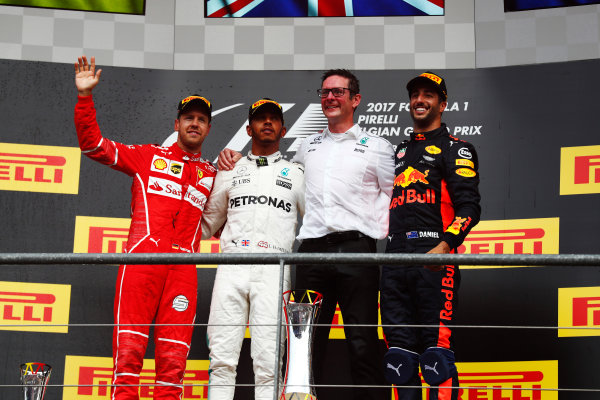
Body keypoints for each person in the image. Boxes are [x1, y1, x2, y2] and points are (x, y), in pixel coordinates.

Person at [218, 69, 395, 400]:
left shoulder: (377, 147)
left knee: (362, 341)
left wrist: (374, 232)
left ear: (355, 100)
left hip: (358, 252)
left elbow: (393, 198)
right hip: (311, 254)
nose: (329, 97)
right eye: (325, 92)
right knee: (305, 347)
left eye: (338, 92)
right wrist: (232, 160)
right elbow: (271, 177)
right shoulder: (305, 148)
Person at [74, 56, 217, 400]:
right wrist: (84, 98)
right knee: (128, 357)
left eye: (201, 120)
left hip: (183, 272)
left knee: (173, 364)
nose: (194, 124)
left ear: (208, 128)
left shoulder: (213, 174)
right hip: (141, 264)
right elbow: (94, 145)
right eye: (188, 118)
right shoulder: (147, 157)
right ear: (177, 123)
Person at [381, 72, 481, 400]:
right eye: (415, 95)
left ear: (443, 104)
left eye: (428, 95)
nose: (419, 100)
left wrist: (444, 246)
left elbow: (469, 208)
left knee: (435, 357)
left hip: (433, 257)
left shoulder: (457, 149)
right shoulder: (397, 152)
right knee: (399, 357)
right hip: (394, 257)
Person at [202, 98, 305, 400]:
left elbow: (316, 223)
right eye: (261, 119)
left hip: (275, 267)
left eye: (274, 119)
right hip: (232, 263)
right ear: (249, 128)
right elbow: (207, 222)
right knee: (221, 357)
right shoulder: (230, 168)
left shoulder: (296, 172)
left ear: (283, 130)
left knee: (269, 361)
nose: (268, 123)